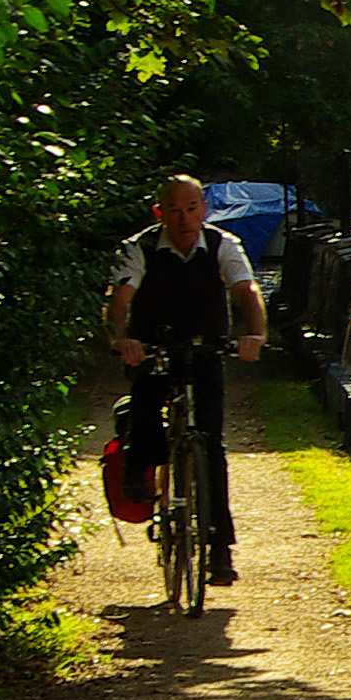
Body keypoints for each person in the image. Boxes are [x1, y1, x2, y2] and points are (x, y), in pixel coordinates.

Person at [108, 174, 266, 584]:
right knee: (145, 398)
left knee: (211, 443)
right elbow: (121, 297)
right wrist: (122, 338)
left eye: (191, 209)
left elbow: (246, 289)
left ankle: (219, 549)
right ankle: (138, 467)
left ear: (204, 210)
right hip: (154, 347)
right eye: (173, 211)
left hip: (206, 348)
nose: (183, 219)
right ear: (159, 213)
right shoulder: (139, 248)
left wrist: (255, 334)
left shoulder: (222, 245)